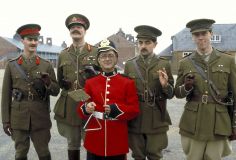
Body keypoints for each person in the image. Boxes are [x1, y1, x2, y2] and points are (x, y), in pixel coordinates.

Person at [174, 18, 236, 160]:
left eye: (204, 33)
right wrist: (186, 87)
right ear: (192, 37)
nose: (200, 37)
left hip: (219, 120)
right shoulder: (185, 62)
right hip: (193, 120)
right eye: (197, 35)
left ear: (211, 34)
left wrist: (234, 124)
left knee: (214, 157)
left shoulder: (227, 60)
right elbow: (177, 92)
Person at [1, 24, 60, 160]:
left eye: (35, 39)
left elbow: (56, 91)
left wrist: (48, 83)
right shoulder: (12, 65)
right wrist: (5, 120)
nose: (33, 42)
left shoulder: (46, 64)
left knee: (44, 153)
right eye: (29, 39)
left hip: (40, 116)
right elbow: (5, 96)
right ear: (22, 41)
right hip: (18, 116)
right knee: (20, 154)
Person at [77, 39, 140, 160]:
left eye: (110, 55)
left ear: (116, 58)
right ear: (99, 60)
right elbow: (80, 109)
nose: (107, 59)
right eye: (103, 56)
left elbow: (134, 109)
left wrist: (117, 109)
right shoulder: (90, 83)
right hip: (95, 137)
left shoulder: (127, 83)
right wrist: (86, 108)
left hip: (117, 138)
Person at [124, 25, 174, 160]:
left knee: (155, 155)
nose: (143, 46)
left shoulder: (164, 64)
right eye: (140, 42)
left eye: (147, 42)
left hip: (156, 117)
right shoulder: (129, 65)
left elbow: (170, 93)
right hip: (136, 117)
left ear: (155, 44)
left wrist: (165, 86)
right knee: (138, 155)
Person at [53, 13, 98, 160]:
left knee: (92, 142)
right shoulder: (63, 54)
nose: (75, 29)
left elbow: (105, 77)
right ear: (69, 31)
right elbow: (60, 81)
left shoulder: (95, 51)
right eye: (72, 27)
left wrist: (95, 76)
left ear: (85, 30)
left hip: (90, 104)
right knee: (72, 144)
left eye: (79, 26)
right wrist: (64, 84)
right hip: (70, 106)